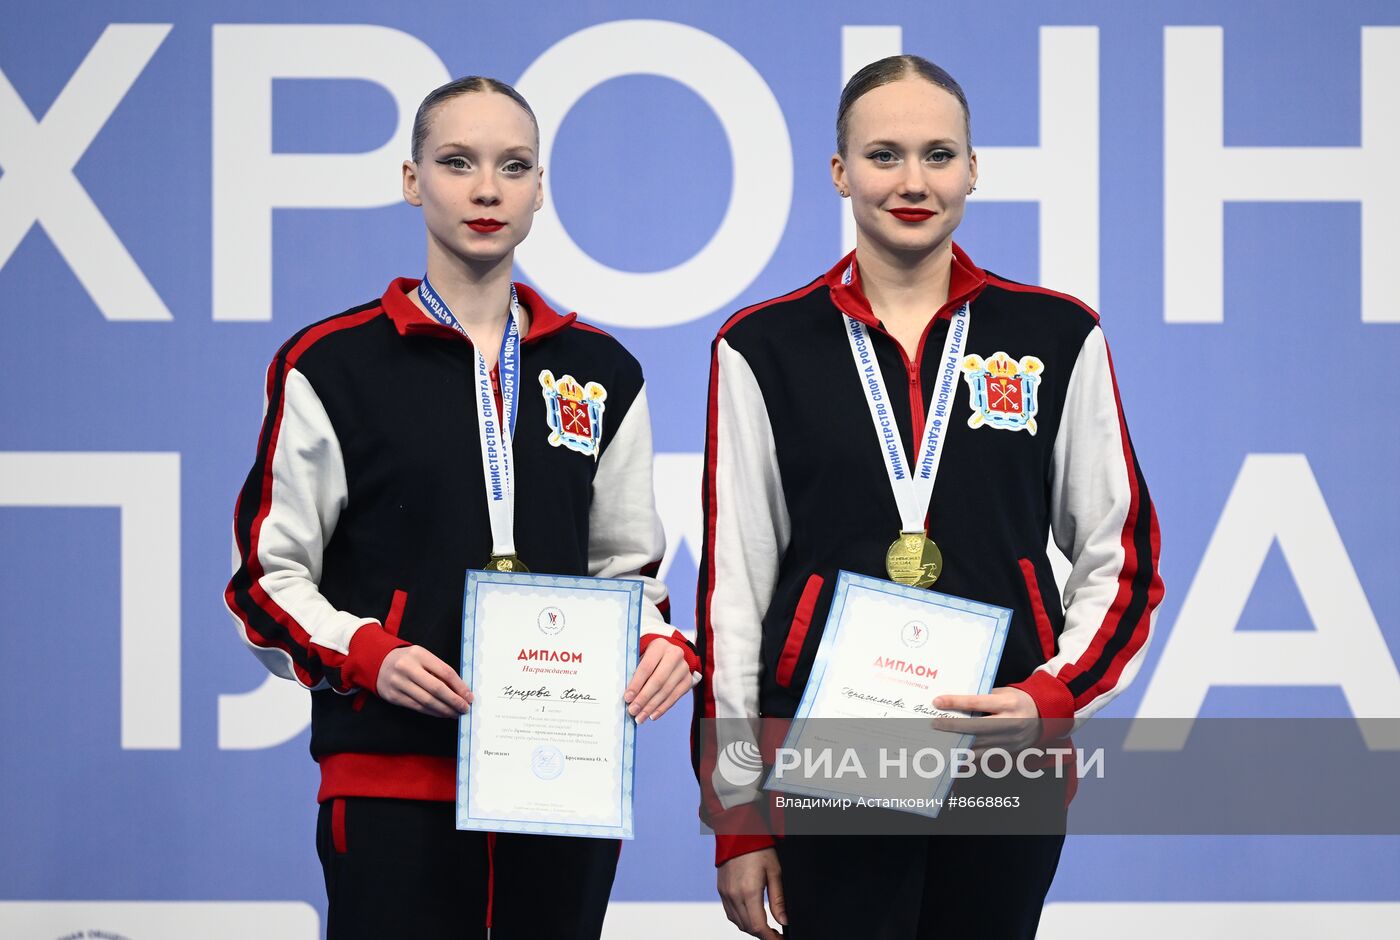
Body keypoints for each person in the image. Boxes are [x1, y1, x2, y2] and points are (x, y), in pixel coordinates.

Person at [693, 55, 1162, 939]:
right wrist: (737, 811)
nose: (913, 181)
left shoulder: (1057, 335)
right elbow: (733, 595)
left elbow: (1121, 557)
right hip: (827, 762)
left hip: (1001, 754)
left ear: (974, 170)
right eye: (884, 155)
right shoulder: (763, 346)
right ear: (840, 173)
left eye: (939, 154)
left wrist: (1050, 696)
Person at [224, 76, 698, 940]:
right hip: (391, 773)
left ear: (540, 188)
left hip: (560, 777)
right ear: (413, 180)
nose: (487, 189)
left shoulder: (603, 370)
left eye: (513, 166)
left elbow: (626, 569)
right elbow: (265, 581)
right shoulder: (333, 365)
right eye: (457, 162)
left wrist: (658, 639)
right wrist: (369, 652)